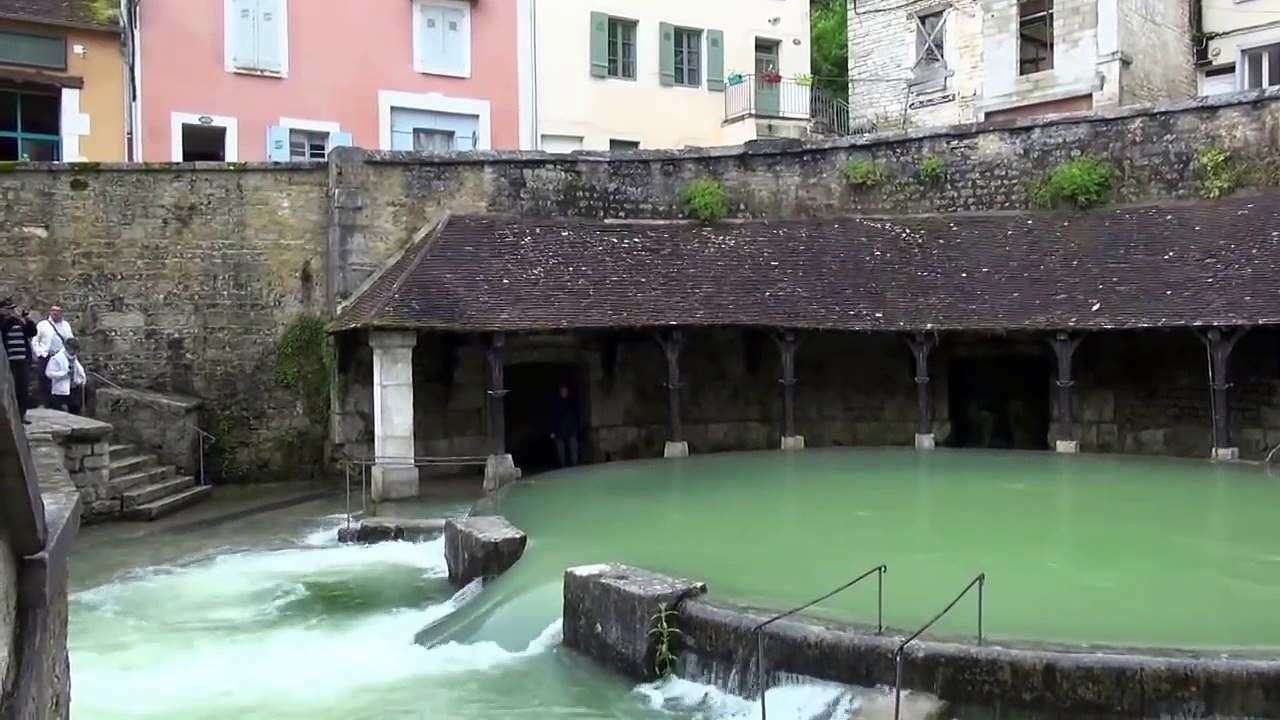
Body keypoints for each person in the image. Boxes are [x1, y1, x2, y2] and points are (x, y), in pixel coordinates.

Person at [0, 298, 37, 424]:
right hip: (7, 362)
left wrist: (27, 319)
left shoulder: (19, 322)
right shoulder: (4, 322)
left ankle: (21, 415)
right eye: (8, 309)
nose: (11, 311)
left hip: (22, 360)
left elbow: (32, 332)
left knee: (23, 389)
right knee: (10, 389)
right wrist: (9, 318)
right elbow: (3, 328)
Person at [33, 303, 73, 408]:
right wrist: (39, 352)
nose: (55, 313)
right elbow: (35, 339)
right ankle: (43, 402)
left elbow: (70, 340)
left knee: (61, 378)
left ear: (62, 313)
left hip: (61, 356)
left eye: (58, 311)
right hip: (46, 355)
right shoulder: (43, 325)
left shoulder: (66, 325)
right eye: (53, 310)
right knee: (43, 378)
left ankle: (59, 403)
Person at [44, 337, 86, 415]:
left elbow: (80, 371)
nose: (75, 351)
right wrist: (63, 374)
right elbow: (49, 373)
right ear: (67, 347)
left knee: (75, 408)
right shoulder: (56, 358)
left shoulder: (75, 358)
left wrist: (81, 380)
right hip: (61, 392)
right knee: (62, 412)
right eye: (73, 349)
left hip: (74, 389)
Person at [548, 384, 580, 467]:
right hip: (559, 430)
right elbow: (551, 417)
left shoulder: (571, 403)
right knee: (560, 451)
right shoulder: (555, 404)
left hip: (571, 430)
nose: (564, 393)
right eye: (563, 391)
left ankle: (575, 465)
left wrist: (575, 427)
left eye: (566, 391)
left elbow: (576, 415)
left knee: (573, 449)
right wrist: (552, 431)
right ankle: (562, 465)